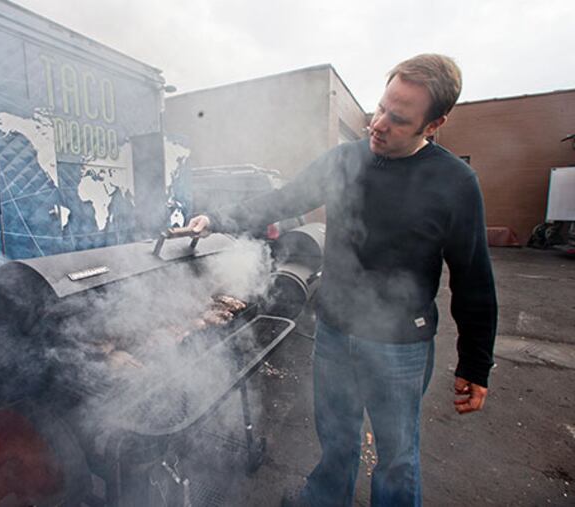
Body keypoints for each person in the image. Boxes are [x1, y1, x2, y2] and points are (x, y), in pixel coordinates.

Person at [186, 54, 497, 506]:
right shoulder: (344, 161)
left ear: (433, 125)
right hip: (334, 331)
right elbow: (283, 199)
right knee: (335, 440)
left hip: (400, 348)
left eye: (398, 118)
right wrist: (215, 219)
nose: (378, 123)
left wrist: (475, 363)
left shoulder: (454, 183)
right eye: (381, 106)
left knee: (396, 457)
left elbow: (474, 278)